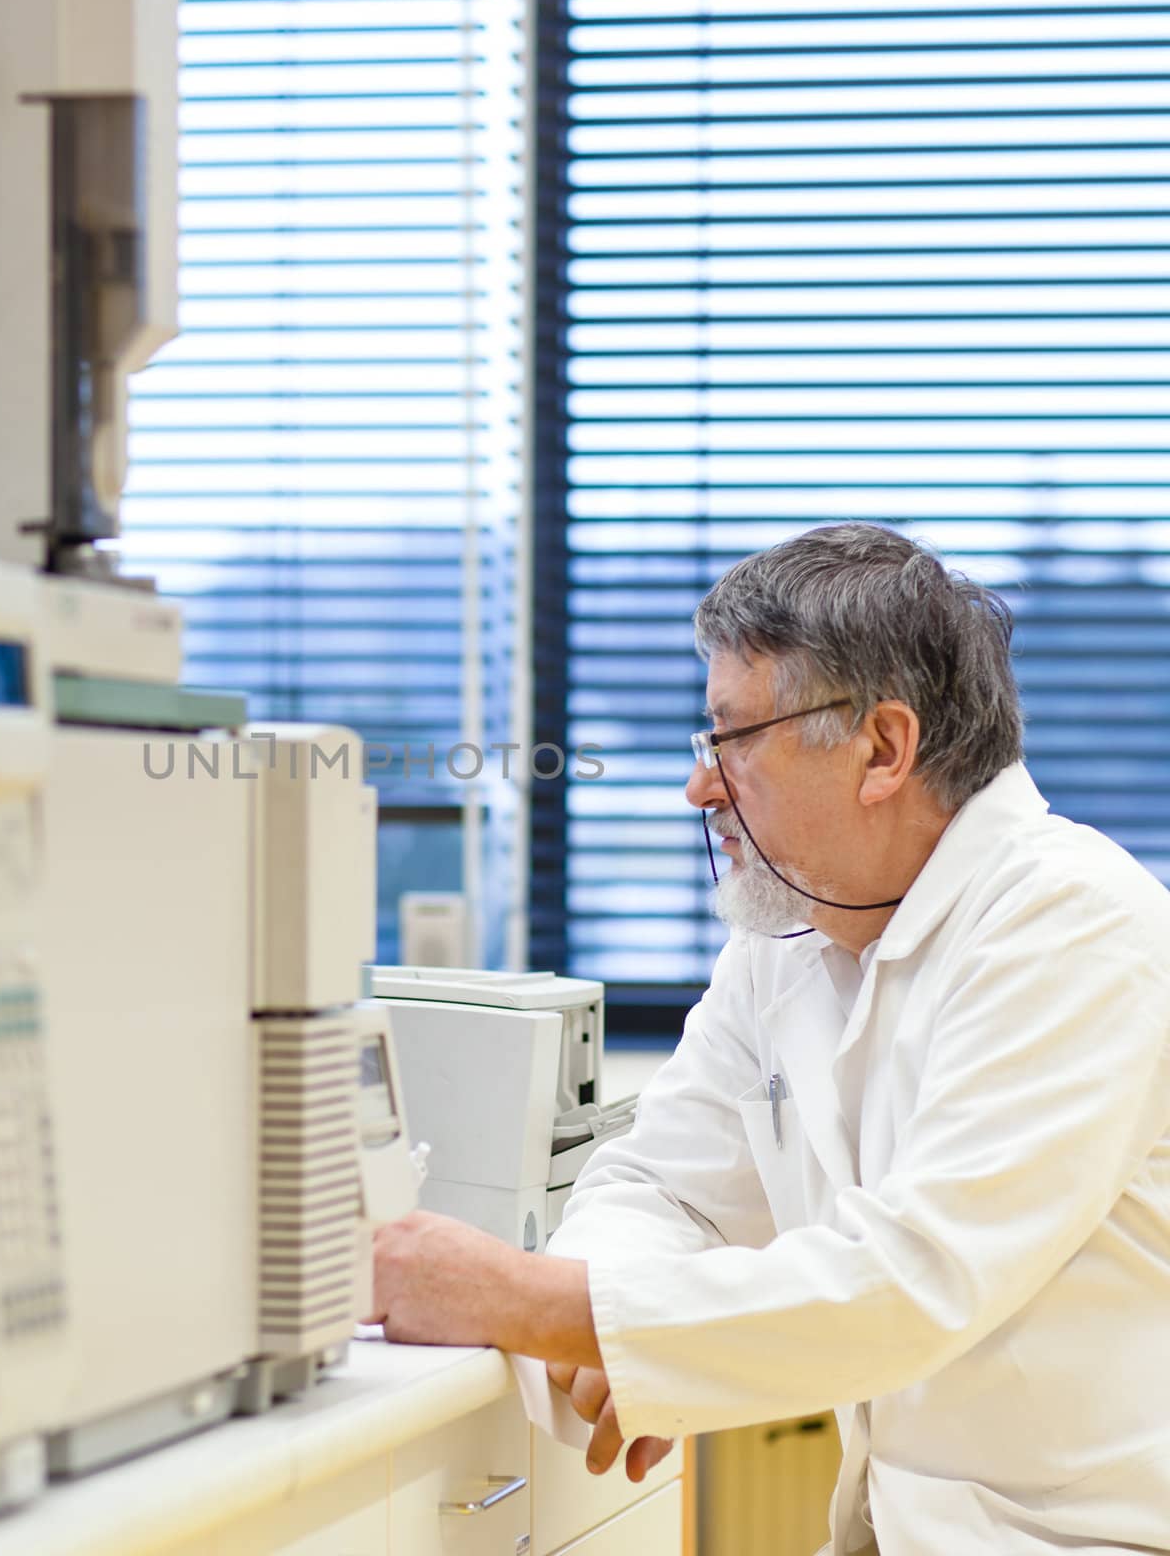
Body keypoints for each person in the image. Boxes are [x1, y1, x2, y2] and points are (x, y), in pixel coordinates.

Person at [371, 523, 1170, 1556]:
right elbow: (662, 1185)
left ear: (882, 748)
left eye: (731, 737)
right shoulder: (792, 931)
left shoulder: (1074, 923)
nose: (700, 786)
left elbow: (913, 1279)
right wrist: (596, 1332)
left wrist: (535, 1300)